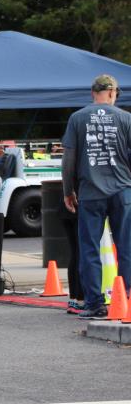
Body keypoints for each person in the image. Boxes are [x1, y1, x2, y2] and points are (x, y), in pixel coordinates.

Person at [62, 74, 131, 319]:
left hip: (90, 193)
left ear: (93, 93)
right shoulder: (126, 118)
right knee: (126, 247)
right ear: (112, 93)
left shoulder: (77, 118)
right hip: (122, 191)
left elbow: (68, 159)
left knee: (89, 249)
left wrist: (68, 191)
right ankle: (126, 299)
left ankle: (94, 304)